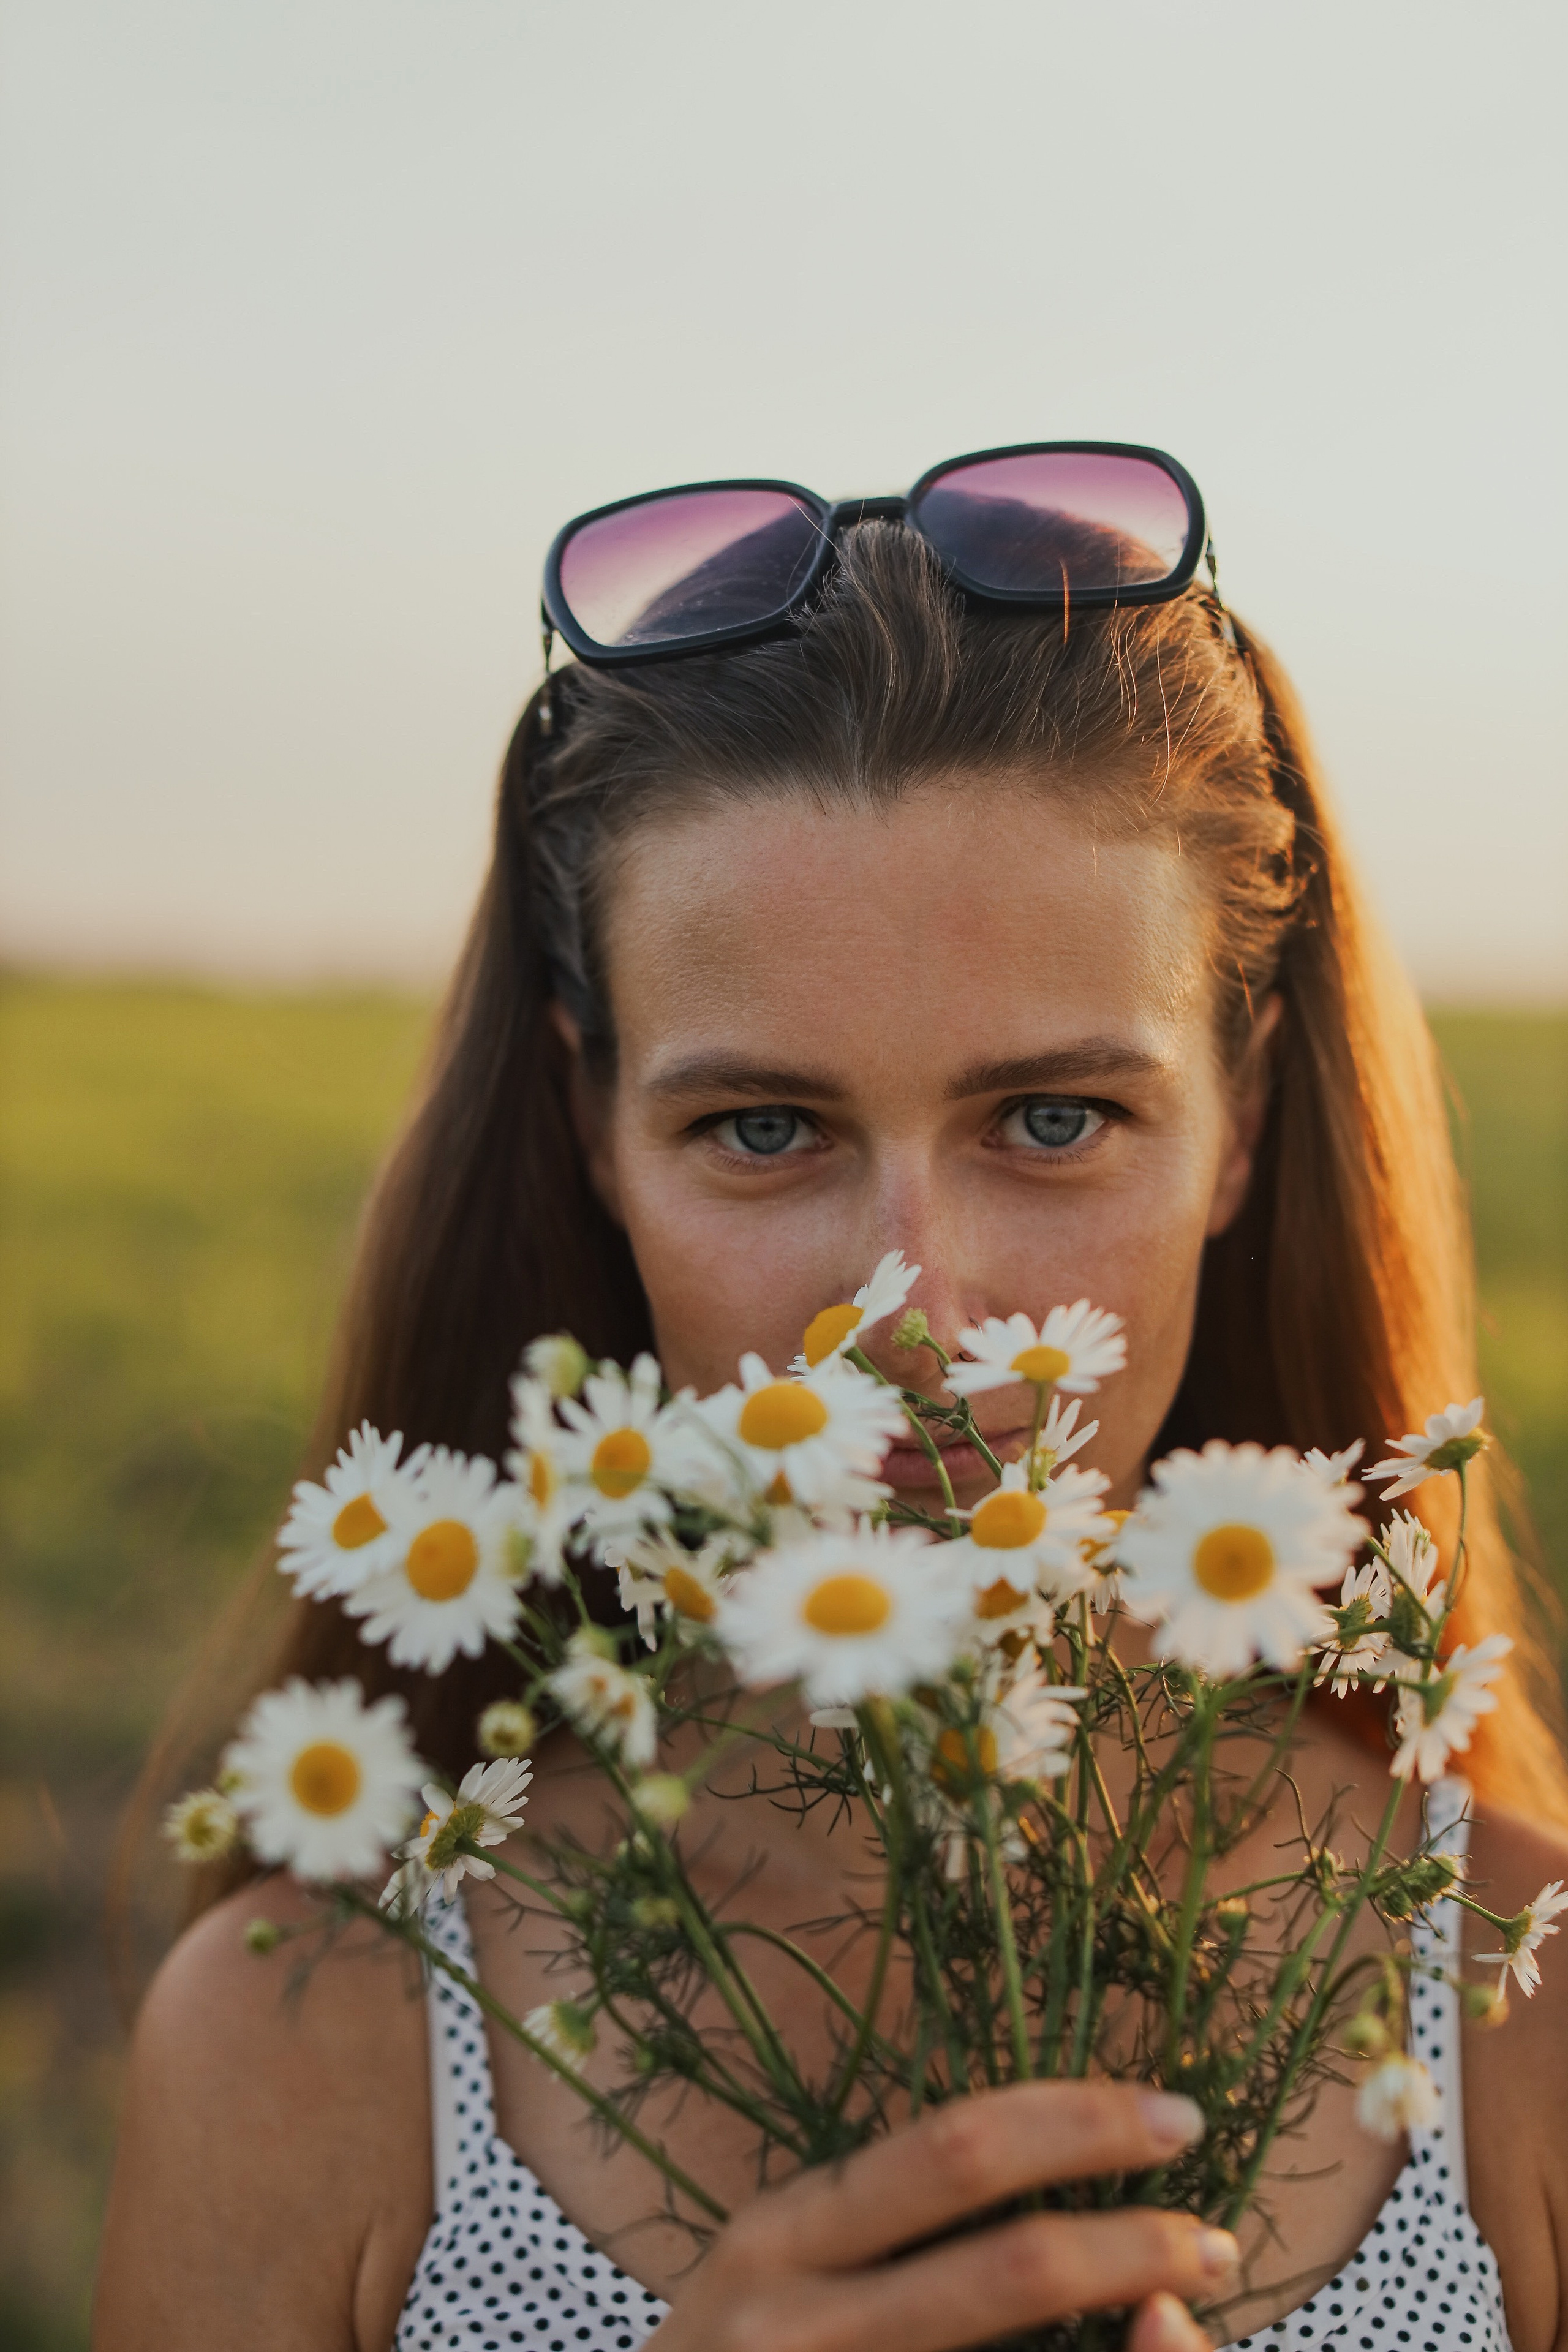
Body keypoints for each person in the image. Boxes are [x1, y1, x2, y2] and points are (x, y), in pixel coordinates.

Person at [94, 451, 1568, 2352]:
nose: (913, 1312)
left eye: (1055, 1119)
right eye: (764, 1129)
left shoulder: (1516, 2000)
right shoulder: (312, 2038)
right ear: (593, 1133)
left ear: (1246, 1118)